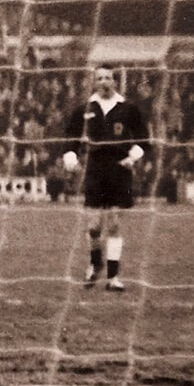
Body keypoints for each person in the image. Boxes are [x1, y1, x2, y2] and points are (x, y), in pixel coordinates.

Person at [60, 66, 151, 292]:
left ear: (115, 81)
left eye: (107, 78)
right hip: (94, 169)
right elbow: (70, 138)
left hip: (119, 170)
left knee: (115, 224)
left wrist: (132, 157)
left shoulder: (128, 108)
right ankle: (94, 263)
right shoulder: (85, 109)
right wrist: (70, 155)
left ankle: (113, 277)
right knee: (93, 226)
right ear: (94, 82)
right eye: (99, 78)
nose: (103, 81)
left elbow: (144, 140)